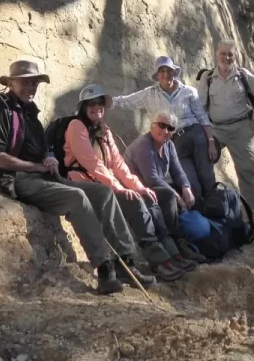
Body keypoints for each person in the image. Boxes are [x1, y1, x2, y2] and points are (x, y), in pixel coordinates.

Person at [0, 60, 137, 295]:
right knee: (77, 197)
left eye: (34, 82)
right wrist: (36, 167)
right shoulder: (1, 110)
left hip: (44, 174)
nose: (31, 87)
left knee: (103, 193)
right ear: (11, 83)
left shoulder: (30, 113)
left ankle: (126, 259)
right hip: (20, 178)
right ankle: (104, 269)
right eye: (25, 82)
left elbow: (40, 149)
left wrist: (48, 159)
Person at [64, 85, 196, 282]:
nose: (97, 107)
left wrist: (139, 187)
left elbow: (118, 165)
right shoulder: (76, 126)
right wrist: (118, 187)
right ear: (83, 106)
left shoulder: (104, 131)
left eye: (100, 103)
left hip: (104, 182)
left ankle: (170, 253)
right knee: (133, 202)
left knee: (146, 196)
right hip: (84, 183)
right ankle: (157, 261)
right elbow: (91, 164)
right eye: (91, 104)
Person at [107, 56, 218, 201]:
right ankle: (201, 214)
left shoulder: (189, 91)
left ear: (174, 72)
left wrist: (210, 142)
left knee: (207, 177)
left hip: (196, 136)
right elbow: (127, 101)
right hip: (175, 142)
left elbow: (203, 118)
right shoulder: (149, 94)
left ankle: (219, 213)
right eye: (162, 71)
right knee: (191, 184)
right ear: (157, 75)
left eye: (169, 70)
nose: (166, 74)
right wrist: (104, 102)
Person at [197, 39, 254, 229]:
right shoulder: (207, 78)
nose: (227, 58)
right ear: (216, 54)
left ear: (235, 56)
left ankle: (252, 216)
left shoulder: (243, 75)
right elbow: (201, 107)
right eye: (223, 54)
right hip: (217, 130)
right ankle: (207, 208)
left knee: (247, 171)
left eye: (230, 54)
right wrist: (206, 133)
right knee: (201, 159)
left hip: (241, 129)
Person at [124, 111, 208, 263]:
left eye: (170, 128)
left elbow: (177, 170)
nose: (165, 131)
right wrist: (177, 196)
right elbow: (151, 178)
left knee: (192, 190)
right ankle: (179, 243)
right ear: (152, 126)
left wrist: (186, 187)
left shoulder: (168, 145)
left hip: (154, 187)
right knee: (169, 196)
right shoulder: (144, 145)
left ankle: (196, 237)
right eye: (162, 125)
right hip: (137, 189)